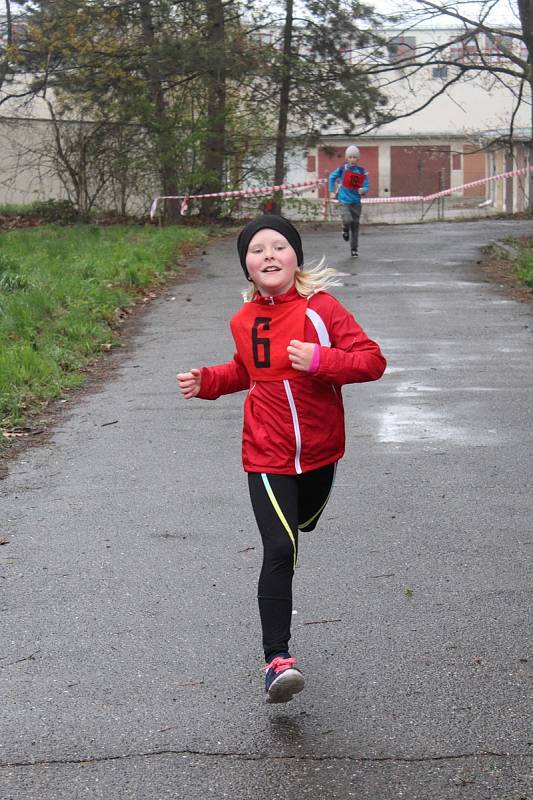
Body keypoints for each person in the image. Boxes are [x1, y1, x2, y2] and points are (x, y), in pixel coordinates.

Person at [177, 215, 386, 704]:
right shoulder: (243, 319)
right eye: (256, 250)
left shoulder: (322, 309)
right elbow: (244, 371)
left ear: (295, 257)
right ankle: (277, 661)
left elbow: (372, 361)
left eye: (278, 247)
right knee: (280, 548)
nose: (268, 255)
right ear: (247, 267)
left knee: (302, 524)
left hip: (319, 451)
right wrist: (207, 382)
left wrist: (320, 360)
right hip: (266, 452)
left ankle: (303, 516)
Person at [328, 145, 369, 259]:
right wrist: (331, 191)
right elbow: (331, 177)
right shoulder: (342, 169)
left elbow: (366, 185)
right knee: (347, 220)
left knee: (355, 226)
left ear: (358, 159)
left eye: (354, 157)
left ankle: (354, 249)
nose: (352, 159)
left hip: (356, 202)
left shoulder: (361, 171)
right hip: (344, 201)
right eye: (350, 157)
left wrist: (363, 190)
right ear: (346, 158)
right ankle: (345, 229)